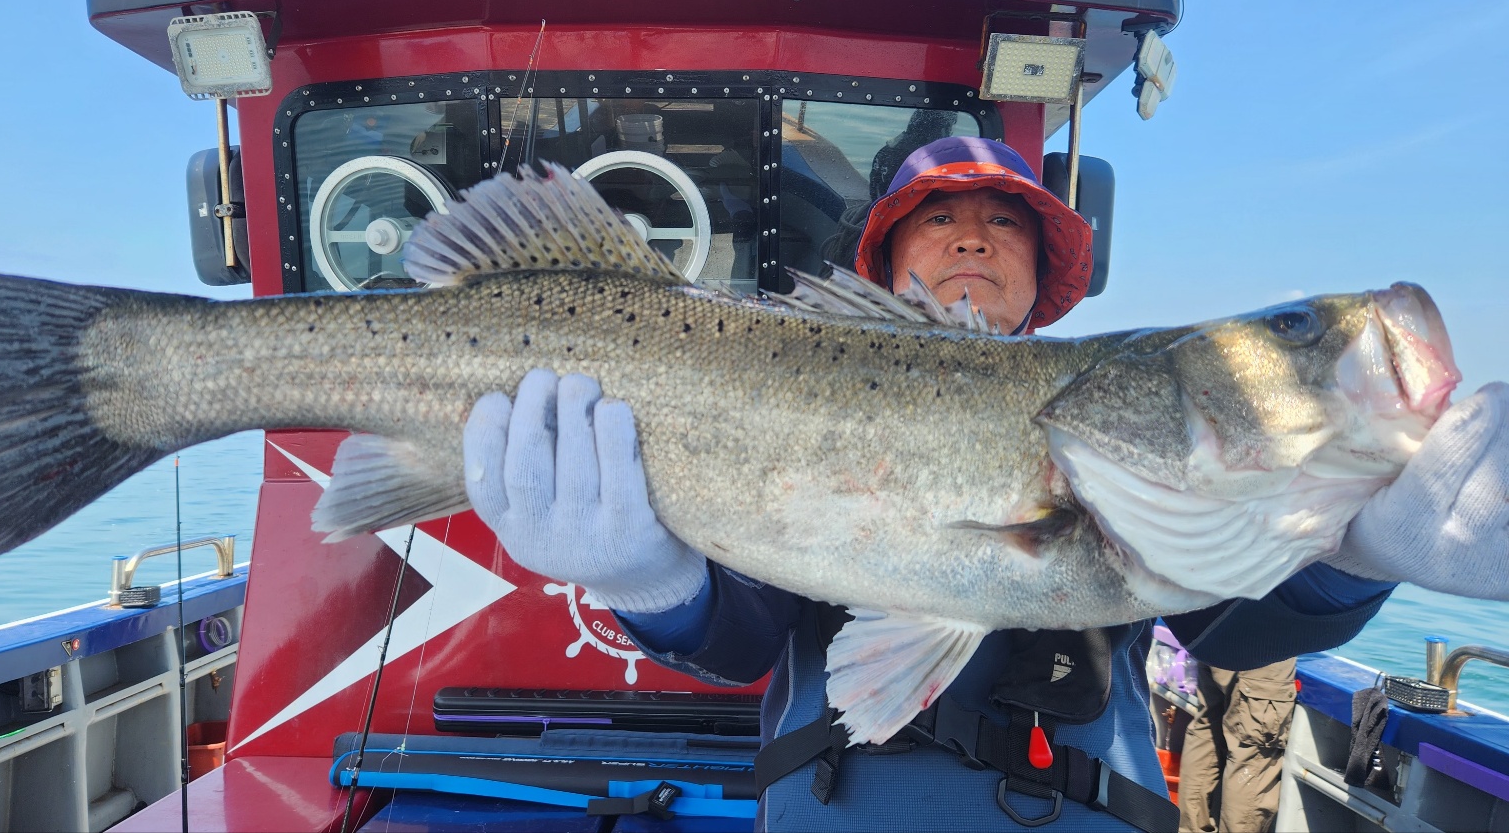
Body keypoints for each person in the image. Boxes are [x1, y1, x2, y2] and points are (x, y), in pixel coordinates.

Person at [460, 137, 1509, 832]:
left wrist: (1349, 558)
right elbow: (741, 640)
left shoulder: (1156, 470)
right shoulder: (803, 374)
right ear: (884, 261)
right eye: (938, 216)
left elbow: (1233, 631)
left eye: (1004, 219)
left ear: (1039, 266)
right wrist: (646, 580)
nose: (971, 233)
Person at [1177, 656, 1297, 833]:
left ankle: (1189, 828)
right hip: (1265, 645)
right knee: (1253, 752)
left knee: (1208, 729)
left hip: (1215, 639)